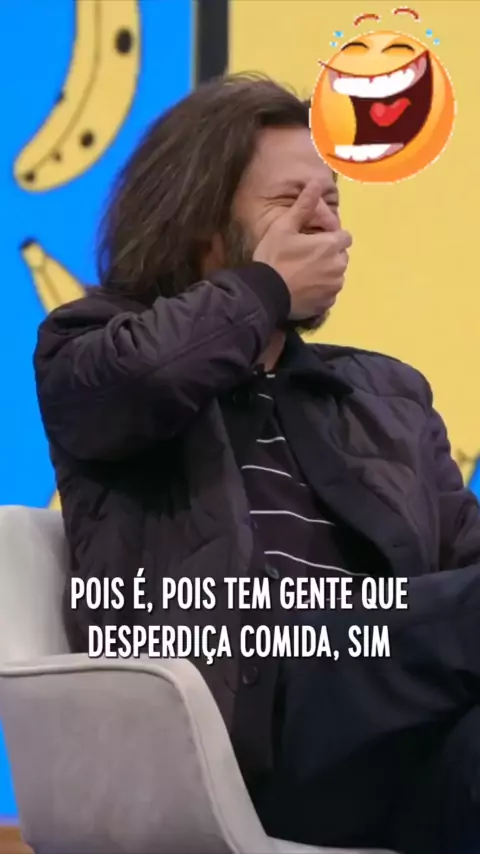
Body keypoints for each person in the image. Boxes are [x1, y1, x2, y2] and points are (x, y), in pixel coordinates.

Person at [34, 75, 480, 853]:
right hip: (244, 713)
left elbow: (462, 567)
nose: (324, 221)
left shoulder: (383, 391)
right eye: (288, 201)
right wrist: (265, 287)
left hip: (388, 736)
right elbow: (144, 379)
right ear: (200, 224)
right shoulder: (89, 349)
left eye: (332, 200)